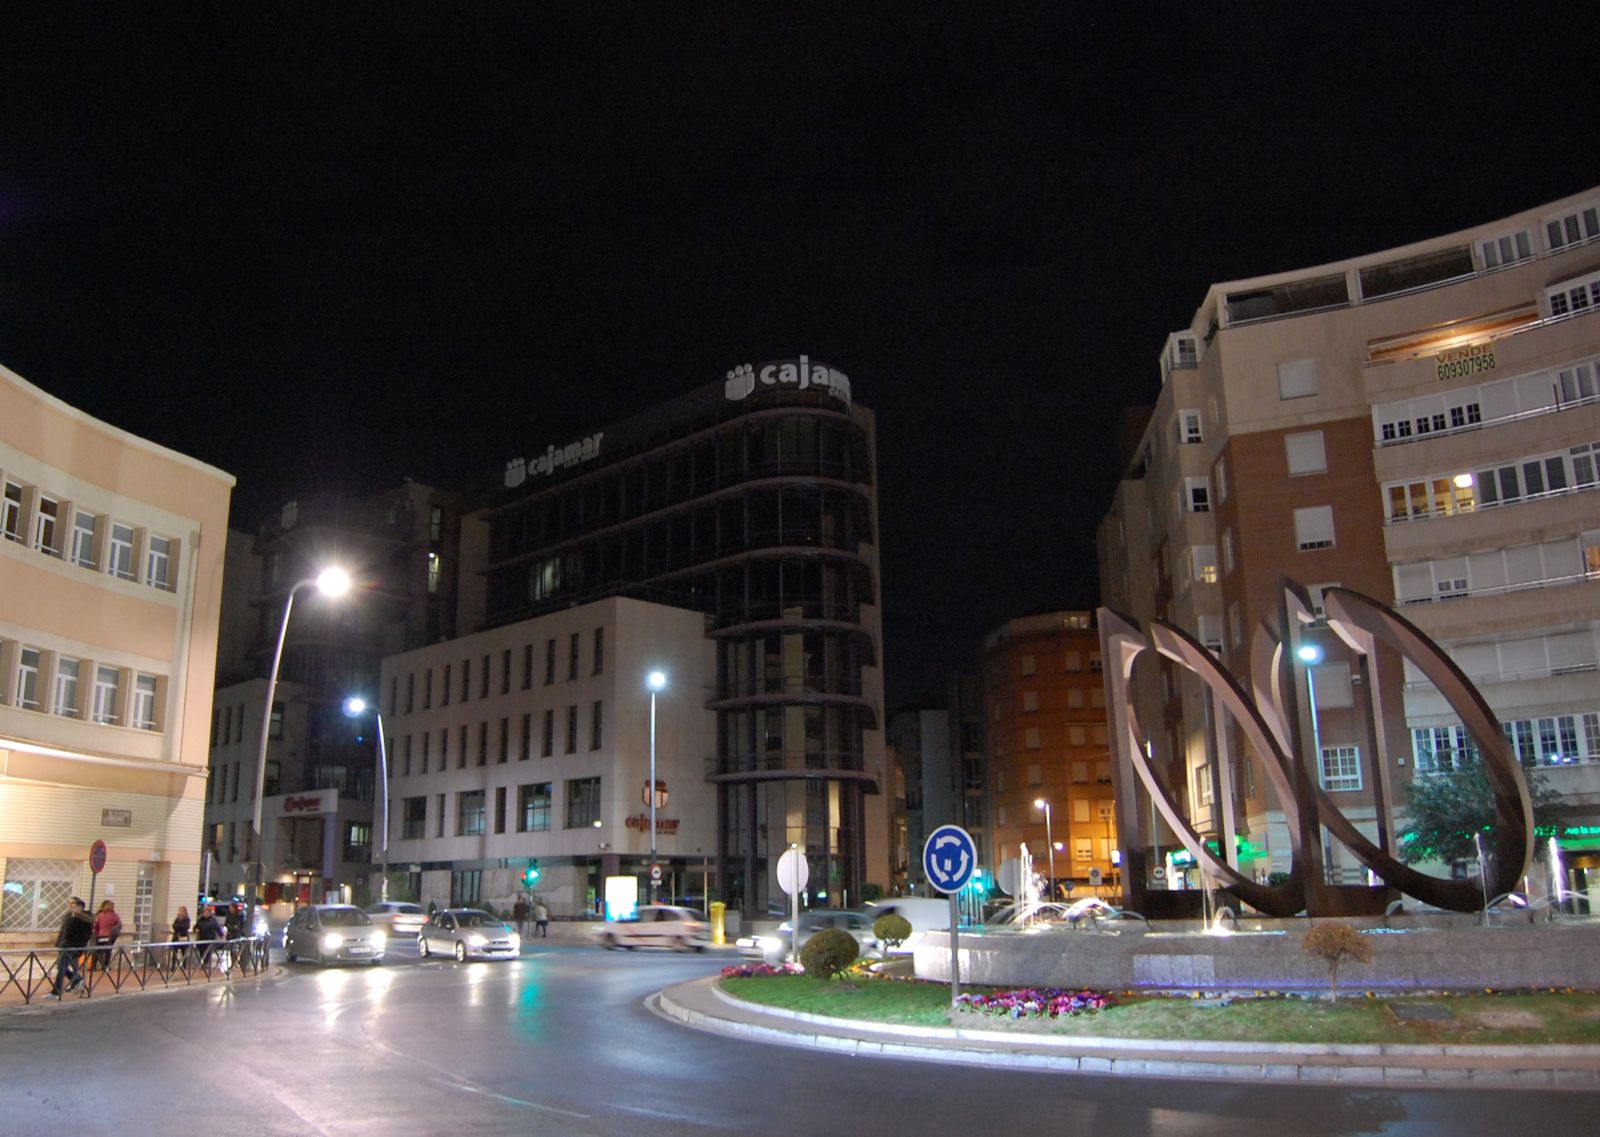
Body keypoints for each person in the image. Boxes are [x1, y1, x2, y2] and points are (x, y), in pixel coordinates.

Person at [48, 897, 93, 998]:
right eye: (70, 905)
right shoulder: (69, 916)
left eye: (73, 905)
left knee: (62, 967)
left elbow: (82, 933)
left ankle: (56, 992)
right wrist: (59, 943)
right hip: (65, 945)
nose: (71, 907)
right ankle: (76, 981)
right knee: (61, 966)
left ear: (80, 906)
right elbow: (64, 931)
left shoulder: (84, 918)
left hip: (73, 946)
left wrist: (76, 916)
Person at [89, 899, 122, 976]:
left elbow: (95, 926)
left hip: (100, 935)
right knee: (108, 951)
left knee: (97, 951)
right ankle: (106, 966)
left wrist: (96, 933)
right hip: (110, 936)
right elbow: (119, 925)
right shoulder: (115, 915)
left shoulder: (99, 915)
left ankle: (93, 966)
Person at [193, 904, 223, 969]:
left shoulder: (213, 920)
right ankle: (203, 963)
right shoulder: (200, 920)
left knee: (208, 952)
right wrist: (195, 930)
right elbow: (195, 927)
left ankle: (206, 963)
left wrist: (221, 934)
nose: (205, 914)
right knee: (202, 952)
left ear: (209, 913)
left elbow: (217, 928)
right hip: (201, 938)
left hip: (210, 939)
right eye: (204, 912)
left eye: (207, 912)